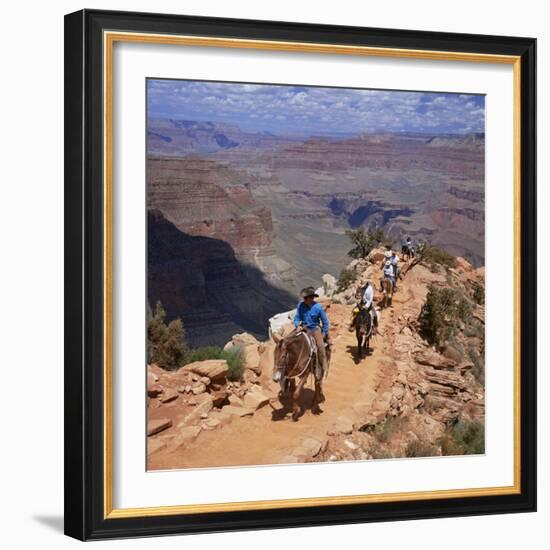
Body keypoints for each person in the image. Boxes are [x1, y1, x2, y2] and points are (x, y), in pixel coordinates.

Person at [293, 287, 330, 380]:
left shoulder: (318, 307)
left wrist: (324, 332)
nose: (304, 300)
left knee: (320, 346)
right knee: (290, 341)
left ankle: (323, 364)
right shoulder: (300, 306)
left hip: (314, 329)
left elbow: (325, 322)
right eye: (304, 298)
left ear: (311, 298)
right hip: (304, 328)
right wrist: (297, 325)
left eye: (306, 298)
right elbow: (297, 318)